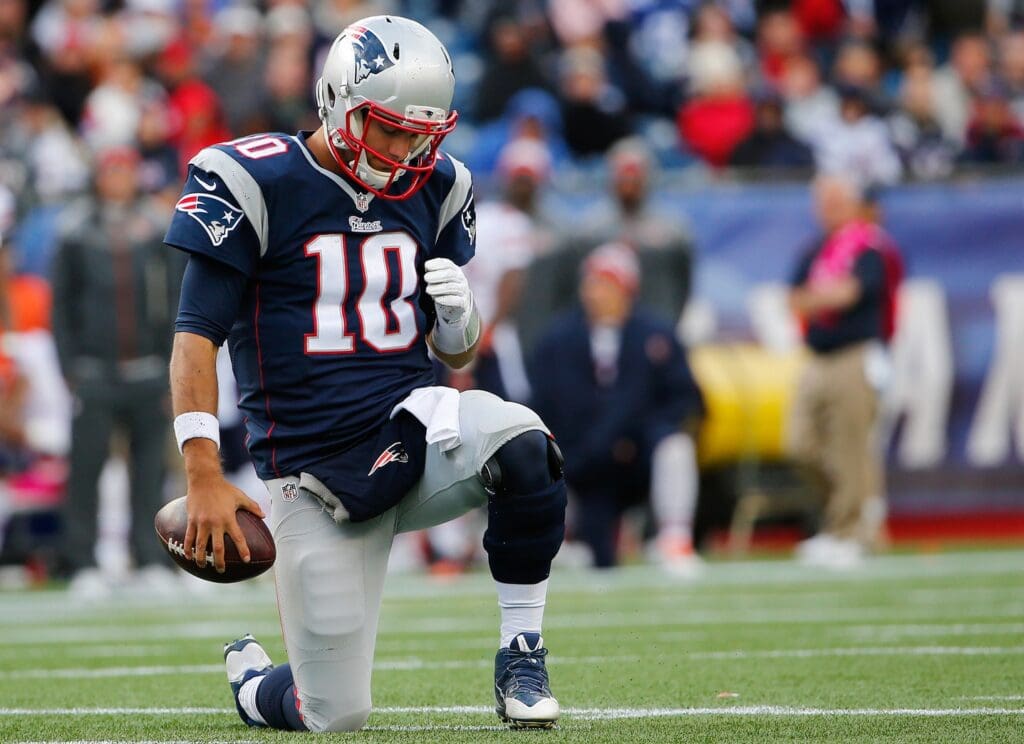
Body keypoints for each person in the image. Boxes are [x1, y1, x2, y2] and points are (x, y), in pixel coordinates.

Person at [163, 16, 566, 733]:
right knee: (333, 715)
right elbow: (196, 337)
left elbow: (457, 356)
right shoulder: (255, 179)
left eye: (422, 133)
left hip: (414, 425)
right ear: (336, 101)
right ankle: (256, 683)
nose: (407, 149)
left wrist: (458, 321)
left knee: (525, 443)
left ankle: (522, 654)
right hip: (313, 471)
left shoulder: (437, 186)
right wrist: (201, 472)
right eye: (387, 129)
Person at [51, 145, 184, 594]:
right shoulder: (75, 230)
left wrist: (172, 365)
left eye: (125, 170)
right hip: (95, 369)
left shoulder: (156, 227)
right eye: (112, 170)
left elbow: (174, 302)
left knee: (150, 469)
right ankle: (81, 561)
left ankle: (149, 557)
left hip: (148, 368)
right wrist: (70, 366)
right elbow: (62, 306)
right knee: (85, 468)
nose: (119, 179)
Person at [529, 243, 705, 573]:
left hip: (638, 454)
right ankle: (561, 537)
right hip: (581, 460)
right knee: (539, 456)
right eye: (591, 283)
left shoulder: (657, 336)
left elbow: (683, 399)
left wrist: (642, 434)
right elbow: (543, 403)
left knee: (676, 448)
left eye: (605, 284)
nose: (595, 293)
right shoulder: (558, 340)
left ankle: (675, 537)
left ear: (627, 289)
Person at [787, 175, 903, 569]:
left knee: (850, 446)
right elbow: (794, 299)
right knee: (799, 442)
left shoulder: (868, 247)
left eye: (837, 200)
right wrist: (826, 296)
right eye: (824, 201)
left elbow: (854, 292)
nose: (829, 208)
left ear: (853, 204)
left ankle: (850, 531)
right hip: (817, 356)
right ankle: (837, 520)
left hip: (855, 354)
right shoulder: (815, 249)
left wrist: (819, 297)